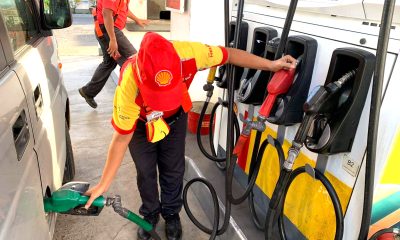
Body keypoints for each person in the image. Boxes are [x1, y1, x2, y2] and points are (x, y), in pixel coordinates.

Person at [84, 32, 296, 240]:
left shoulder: (190, 53)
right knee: (145, 171)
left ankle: (171, 214)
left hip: (176, 118)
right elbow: (121, 139)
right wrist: (103, 184)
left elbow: (229, 54)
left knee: (173, 168)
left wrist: (271, 65)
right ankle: (149, 214)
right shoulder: (129, 82)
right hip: (140, 125)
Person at [79, 0, 149, 108]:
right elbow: (107, 13)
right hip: (108, 30)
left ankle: (88, 91)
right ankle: (132, 101)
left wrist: (137, 20)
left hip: (105, 29)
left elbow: (122, 9)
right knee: (133, 61)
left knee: (109, 63)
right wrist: (113, 39)